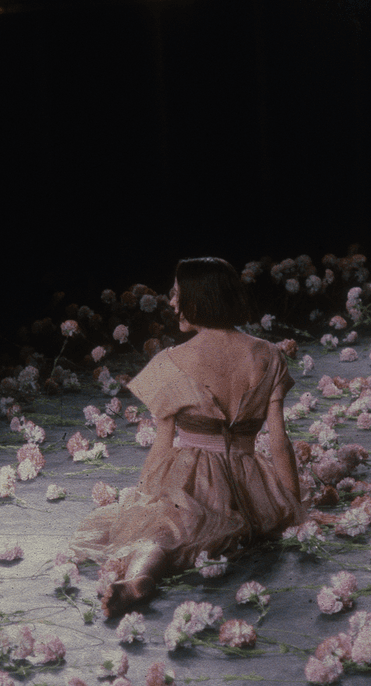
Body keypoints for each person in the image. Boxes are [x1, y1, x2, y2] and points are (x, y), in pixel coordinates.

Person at [69, 257, 306, 617]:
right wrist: (291, 505)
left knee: (161, 531)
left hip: (191, 477)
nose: (173, 303)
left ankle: (139, 577)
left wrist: (146, 498)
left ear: (200, 299)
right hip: (251, 486)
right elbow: (279, 441)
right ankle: (139, 577)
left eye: (178, 295)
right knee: (187, 528)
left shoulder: (172, 360)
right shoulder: (268, 355)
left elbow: (163, 444)